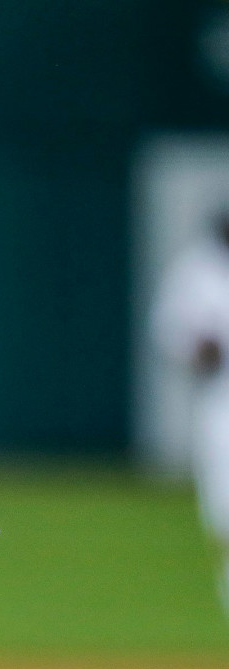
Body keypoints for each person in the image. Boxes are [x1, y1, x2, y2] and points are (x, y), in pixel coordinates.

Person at [153, 211, 229, 617]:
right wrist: (198, 347)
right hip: (222, 399)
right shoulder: (196, 270)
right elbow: (171, 332)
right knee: (225, 510)